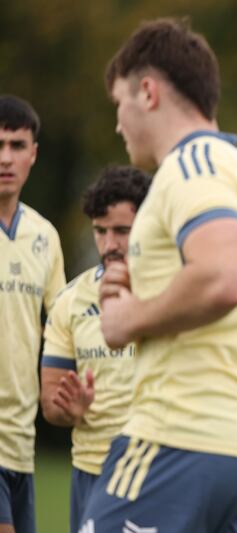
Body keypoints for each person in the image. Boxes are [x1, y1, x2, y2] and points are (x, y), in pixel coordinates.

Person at [81, 18, 237, 532]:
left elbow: (225, 276)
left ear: (148, 92)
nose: (117, 124)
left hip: (184, 440)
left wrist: (130, 317)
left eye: (119, 104)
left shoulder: (190, 166)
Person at [39, 166, 149, 533]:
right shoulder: (70, 302)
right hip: (92, 470)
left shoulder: (175, 294)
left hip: (159, 467)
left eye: (122, 231)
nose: (109, 244)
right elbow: (51, 401)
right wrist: (70, 408)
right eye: (100, 232)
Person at [0, 95, 66, 533]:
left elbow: (64, 332)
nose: (5, 158)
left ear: (34, 154)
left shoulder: (45, 236)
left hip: (22, 443)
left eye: (17, 145)